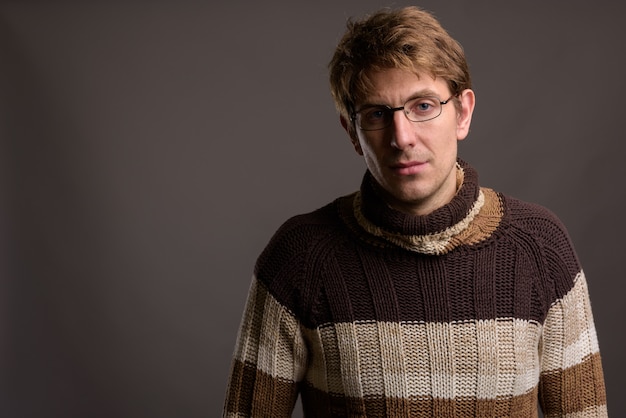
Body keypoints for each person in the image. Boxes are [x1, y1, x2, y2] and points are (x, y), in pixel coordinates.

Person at [223, 6, 608, 417]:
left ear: (463, 112)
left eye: (423, 106)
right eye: (376, 114)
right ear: (352, 133)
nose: (401, 137)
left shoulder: (539, 247)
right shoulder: (299, 257)